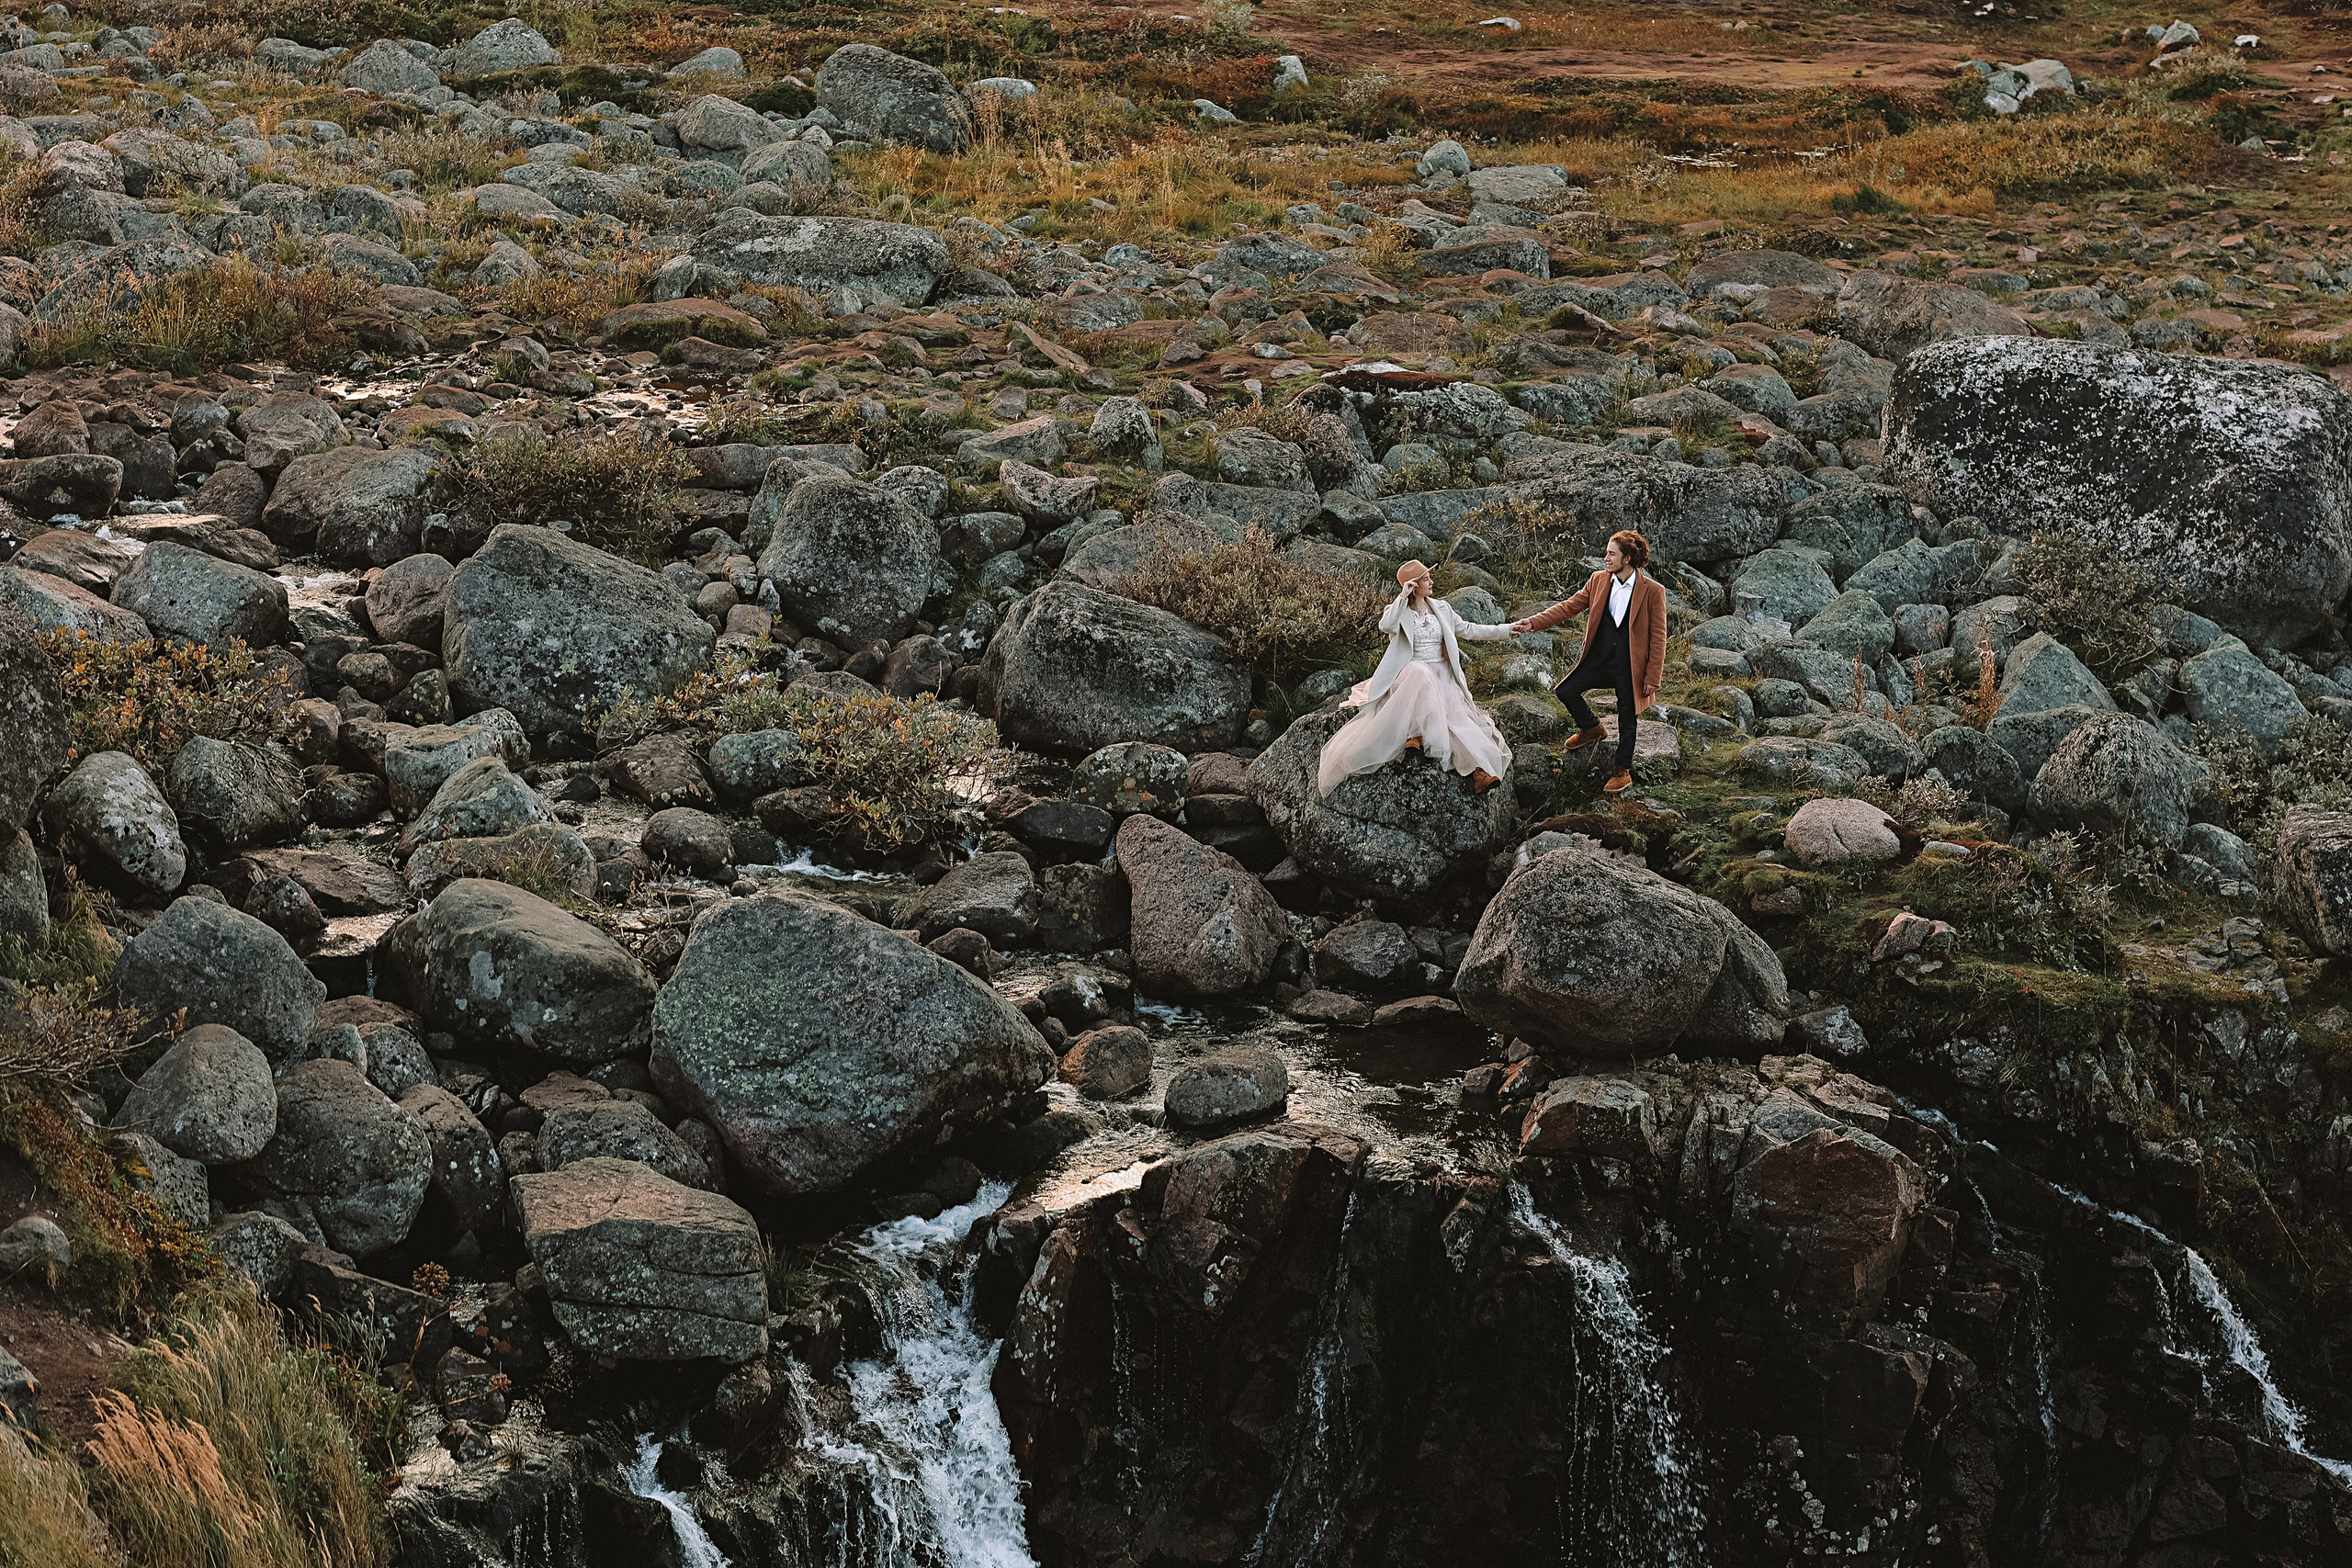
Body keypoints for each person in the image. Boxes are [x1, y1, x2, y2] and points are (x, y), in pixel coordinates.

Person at [1317, 559, 1515, 796]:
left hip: (1441, 672)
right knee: (1419, 674)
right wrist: (1402, 597)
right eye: (1426, 579)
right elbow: (1385, 625)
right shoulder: (1399, 611)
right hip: (1411, 672)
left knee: (1458, 716)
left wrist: (1509, 629)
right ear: (1413, 585)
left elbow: (1470, 630)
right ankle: (1414, 733)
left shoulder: (1442, 608)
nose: (1431, 582)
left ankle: (1479, 772)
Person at [1510, 528, 1668, 797]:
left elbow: (1659, 636)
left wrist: (1652, 677)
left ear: (1627, 558)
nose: (1605, 558)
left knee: (1627, 716)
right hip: (1598, 659)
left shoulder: (1652, 591)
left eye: (1611, 554)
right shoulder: (1598, 581)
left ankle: (1622, 770)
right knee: (1565, 691)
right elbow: (1568, 607)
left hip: (1630, 666)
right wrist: (1533, 622)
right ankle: (1592, 727)